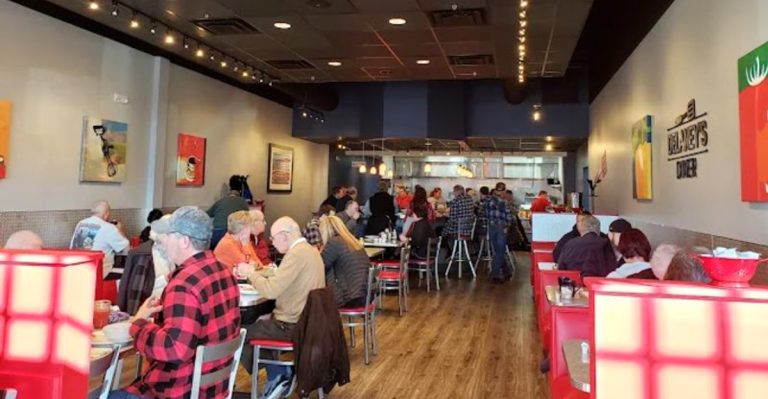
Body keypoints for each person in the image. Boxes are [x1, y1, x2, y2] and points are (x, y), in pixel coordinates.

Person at [109, 206, 241, 399]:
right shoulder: (224, 272)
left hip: (178, 389)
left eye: (169, 235)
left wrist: (138, 324)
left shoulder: (184, 284)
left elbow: (175, 348)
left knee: (104, 395)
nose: (164, 241)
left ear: (184, 241)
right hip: (214, 388)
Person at [237, 217, 325, 397]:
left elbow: (270, 290)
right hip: (308, 322)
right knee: (261, 323)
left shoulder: (295, 254)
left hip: (292, 326)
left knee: (238, 333)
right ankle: (279, 373)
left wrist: (251, 274)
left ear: (285, 236)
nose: (272, 242)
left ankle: (278, 375)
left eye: (273, 238)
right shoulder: (310, 250)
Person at [318, 215, 369, 308]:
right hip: (365, 295)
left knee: (314, 299)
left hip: (350, 297)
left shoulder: (334, 242)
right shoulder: (353, 241)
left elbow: (320, 266)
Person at [70, 200, 130, 277]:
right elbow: (126, 250)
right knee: (129, 273)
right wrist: (120, 230)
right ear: (106, 214)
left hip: (78, 269)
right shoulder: (109, 227)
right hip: (100, 272)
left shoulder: (81, 223)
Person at [207, 175, 249, 249]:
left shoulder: (220, 201)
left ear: (230, 187)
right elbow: (247, 219)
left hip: (216, 235)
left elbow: (206, 214)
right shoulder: (243, 203)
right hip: (231, 234)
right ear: (240, 189)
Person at [484, 182, 513, 283]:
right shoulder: (505, 202)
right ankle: (494, 275)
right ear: (504, 191)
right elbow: (509, 216)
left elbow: (484, 213)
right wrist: (508, 226)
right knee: (500, 251)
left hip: (491, 226)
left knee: (497, 251)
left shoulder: (487, 200)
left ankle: (507, 271)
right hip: (502, 227)